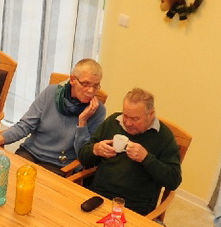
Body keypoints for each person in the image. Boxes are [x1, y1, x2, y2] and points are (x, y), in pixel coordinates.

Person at [0, 59, 107, 173]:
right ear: (73, 80)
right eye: (85, 84)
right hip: (30, 153)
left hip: (58, 165)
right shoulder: (51, 93)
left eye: (96, 85)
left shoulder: (98, 111)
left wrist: (82, 122)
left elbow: (84, 154)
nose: (91, 91)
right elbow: (26, 124)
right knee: (3, 176)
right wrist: (0, 138)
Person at [76, 88, 181, 216]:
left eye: (135, 119)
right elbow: (83, 157)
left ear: (151, 114)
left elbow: (173, 181)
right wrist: (95, 149)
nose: (127, 123)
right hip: (98, 196)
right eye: (125, 115)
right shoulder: (113, 121)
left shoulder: (164, 136)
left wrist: (146, 158)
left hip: (133, 207)